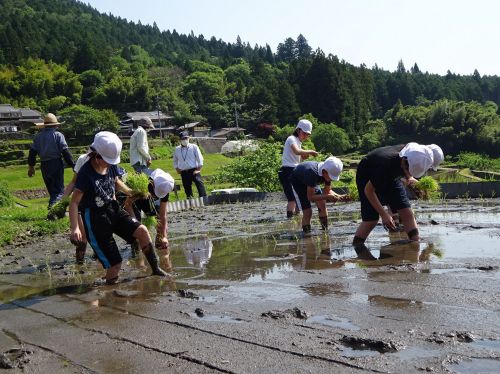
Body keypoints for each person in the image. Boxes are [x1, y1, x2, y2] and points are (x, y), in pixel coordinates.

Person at [68, 131, 168, 284]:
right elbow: (74, 202)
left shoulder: (112, 166)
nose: (110, 164)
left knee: (142, 231)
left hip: (113, 209)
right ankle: (109, 292)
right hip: (95, 219)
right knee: (115, 264)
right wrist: (75, 228)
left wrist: (129, 191)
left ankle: (155, 269)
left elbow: (115, 181)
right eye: (107, 160)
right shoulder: (85, 174)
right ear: (97, 155)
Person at [352, 142, 442, 247]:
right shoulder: (387, 165)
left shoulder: (415, 153)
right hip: (367, 173)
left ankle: (416, 243)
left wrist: (410, 180)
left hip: (392, 176)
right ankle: (357, 247)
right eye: (407, 170)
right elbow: (369, 191)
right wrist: (384, 214)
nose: (408, 173)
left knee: (406, 212)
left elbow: (406, 173)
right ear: (404, 160)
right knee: (371, 220)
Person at [28, 113, 75, 210]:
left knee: (52, 190)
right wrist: (73, 165)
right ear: (55, 125)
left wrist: (31, 167)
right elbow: (65, 151)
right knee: (58, 190)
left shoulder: (38, 137)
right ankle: (53, 209)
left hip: (44, 165)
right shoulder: (58, 135)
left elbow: (32, 153)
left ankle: (55, 209)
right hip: (56, 163)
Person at [290, 156, 348, 233]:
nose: (331, 179)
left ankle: (325, 230)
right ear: (324, 172)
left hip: (312, 182)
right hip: (298, 182)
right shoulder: (312, 173)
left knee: (322, 205)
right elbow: (310, 197)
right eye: (331, 177)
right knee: (308, 212)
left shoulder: (327, 173)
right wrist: (327, 197)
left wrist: (340, 196)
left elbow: (328, 191)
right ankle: (307, 235)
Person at [123, 168, 174, 251]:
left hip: (148, 201)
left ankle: (159, 245)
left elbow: (163, 215)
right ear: (152, 184)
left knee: (159, 222)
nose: (156, 196)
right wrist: (135, 225)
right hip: (133, 201)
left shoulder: (165, 186)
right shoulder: (141, 184)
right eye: (155, 194)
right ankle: (137, 251)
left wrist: (164, 237)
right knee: (136, 230)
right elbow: (128, 205)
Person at [278, 119, 318, 218]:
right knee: (292, 199)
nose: (306, 136)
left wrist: (303, 156)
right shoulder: (291, 138)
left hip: (294, 170)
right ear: (298, 130)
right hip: (288, 171)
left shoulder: (298, 142)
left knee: (296, 198)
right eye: (304, 133)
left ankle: (296, 218)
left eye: (307, 134)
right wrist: (310, 152)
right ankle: (290, 220)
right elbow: (296, 151)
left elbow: (297, 159)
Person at [173, 131, 206, 198]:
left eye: (186, 138)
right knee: (186, 187)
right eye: (183, 138)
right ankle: (190, 200)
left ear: (189, 138)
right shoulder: (177, 149)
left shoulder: (194, 147)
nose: (184, 140)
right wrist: (177, 168)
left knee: (199, 182)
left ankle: (203, 198)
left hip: (194, 170)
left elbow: (200, 158)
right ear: (180, 139)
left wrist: (198, 169)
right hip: (184, 171)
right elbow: (175, 160)